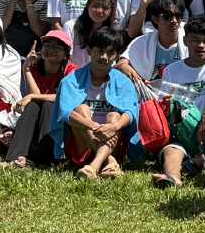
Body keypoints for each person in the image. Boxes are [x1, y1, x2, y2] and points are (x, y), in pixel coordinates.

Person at [139, 15, 205, 188]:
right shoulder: (173, 70)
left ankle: (198, 162)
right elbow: (166, 103)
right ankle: (173, 177)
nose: (201, 46)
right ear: (185, 40)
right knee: (171, 151)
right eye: (195, 40)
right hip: (183, 133)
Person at [54, 26, 140, 180]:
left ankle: (93, 167)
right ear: (89, 50)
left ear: (117, 56)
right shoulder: (71, 80)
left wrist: (114, 126)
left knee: (115, 116)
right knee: (80, 109)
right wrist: (94, 126)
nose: (104, 57)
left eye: (110, 52)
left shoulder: (123, 82)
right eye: (100, 51)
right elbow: (65, 113)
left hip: (115, 142)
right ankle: (108, 162)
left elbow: (131, 113)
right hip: (81, 143)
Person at [3, 31, 72, 169]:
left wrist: (31, 96)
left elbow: (63, 98)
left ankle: (46, 157)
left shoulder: (71, 70)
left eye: (57, 47)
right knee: (34, 105)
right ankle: (15, 157)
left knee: (49, 105)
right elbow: (36, 96)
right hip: (38, 124)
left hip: (62, 127)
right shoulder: (35, 67)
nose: (51, 50)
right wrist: (27, 69)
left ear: (65, 54)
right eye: (47, 45)